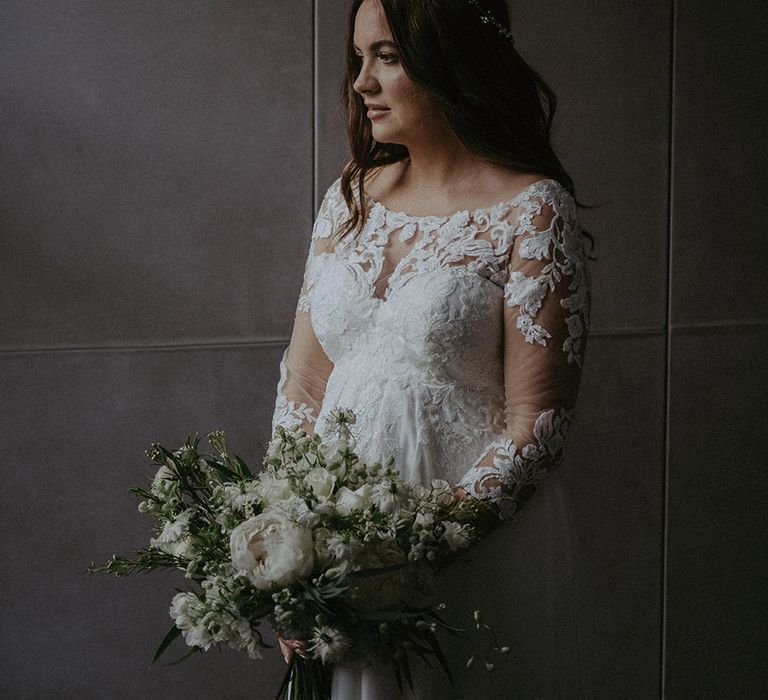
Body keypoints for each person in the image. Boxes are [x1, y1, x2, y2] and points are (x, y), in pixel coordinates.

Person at [271, 0, 594, 697]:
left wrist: (402, 556)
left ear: (454, 63)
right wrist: (285, 543)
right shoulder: (349, 195)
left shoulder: (531, 209)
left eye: (387, 57)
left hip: (467, 561)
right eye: (360, 59)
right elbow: (302, 384)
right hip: (333, 561)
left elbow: (538, 426)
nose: (361, 83)